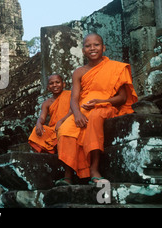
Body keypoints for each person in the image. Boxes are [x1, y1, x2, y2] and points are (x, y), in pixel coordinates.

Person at [57, 33, 138, 185]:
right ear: (83, 50)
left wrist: (101, 101)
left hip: (105, 106)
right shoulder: (79, 72)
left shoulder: (116, 68)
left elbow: (122, 98)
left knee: (94, 118)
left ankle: (94, 169)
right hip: (83, 109)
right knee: (65, 129)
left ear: (104, 48)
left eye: (96, 45)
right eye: (88, 46)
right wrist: (77, 114)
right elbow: (74, 99)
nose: (92, 48)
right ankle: (67, 175)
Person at [28, 74, 71, 154]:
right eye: (51, 83)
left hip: (67, 123)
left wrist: (62, 121)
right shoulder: (46, 103)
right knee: (36, 131)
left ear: (63, 84)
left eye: (57, 82)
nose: (55, 85)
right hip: (54, 129)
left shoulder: (70, 95)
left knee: (64, 130)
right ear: (48, 87)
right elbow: (42, 117)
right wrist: (38, 123)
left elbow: (73, 111)